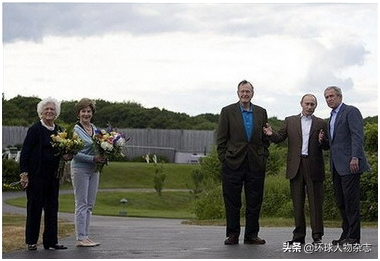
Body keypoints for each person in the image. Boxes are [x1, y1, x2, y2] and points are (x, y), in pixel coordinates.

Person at [263, 94, 329, 244]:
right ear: (301, 104)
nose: (310, 106)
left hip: (314, 166)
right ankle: (298, 236)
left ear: (316, 106)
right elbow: (280, 137)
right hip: (296, 166)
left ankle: (317, 235)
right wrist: (270, 134)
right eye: (307, 104)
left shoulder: (321, 123)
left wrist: (323, 141)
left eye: (312, 104)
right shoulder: (290, 121)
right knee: (298, 202)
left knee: (315, 202)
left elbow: (327, 146)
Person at [216, 80, 270, 245]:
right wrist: (224, 158)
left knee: (254, 201)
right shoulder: (227, 111)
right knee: (232, 201)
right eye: (242, 91)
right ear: (238, 93)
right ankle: (232, 234)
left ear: (252, 93)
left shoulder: (261, 112)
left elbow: (265, 138)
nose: (245, 94)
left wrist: (263, 156)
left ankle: (251, 235)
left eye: (248, 92)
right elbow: (221, 139)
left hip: (255, 163)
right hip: (233, 163)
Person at [19, 97, 70, 251]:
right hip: (36, 176)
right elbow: (25, 152)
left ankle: (51, 241)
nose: (49, 111)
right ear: (41, 112)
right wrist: (24, 174)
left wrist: (68, 155)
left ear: (56, 113)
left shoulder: (60, 130)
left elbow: (64, 152)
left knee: (52, 208)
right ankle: (31, 241)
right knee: (34, 208)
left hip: (53, 176)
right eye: (46, 109)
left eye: (52, 109)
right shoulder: (35, 129)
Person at [321, 86, 370, 245]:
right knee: (341, 201)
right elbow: (333, 144)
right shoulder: (331, 118)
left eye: (332, 96)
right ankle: (346, 234)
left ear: (340, 97)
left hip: (350, 164)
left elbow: (357, 136)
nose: (329, 99)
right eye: (326, 97)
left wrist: (355, 157)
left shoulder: (351, 111)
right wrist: (322, 140)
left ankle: (354, 237)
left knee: (351, 201)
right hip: (336, 166)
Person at [71, 98, 107, 247]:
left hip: (94, 170)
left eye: (89, 111)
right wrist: (93, 158)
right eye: (83, 111)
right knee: (82, 203)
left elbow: (101, 147)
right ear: (79, 113)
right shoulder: (75, 130)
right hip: (80, 169)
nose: (86, 114)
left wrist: (105, 156)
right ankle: (81, 237)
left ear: (92, 113)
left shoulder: (95, 129)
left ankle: (86, 236)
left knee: (90, 204)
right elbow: (74, 153)